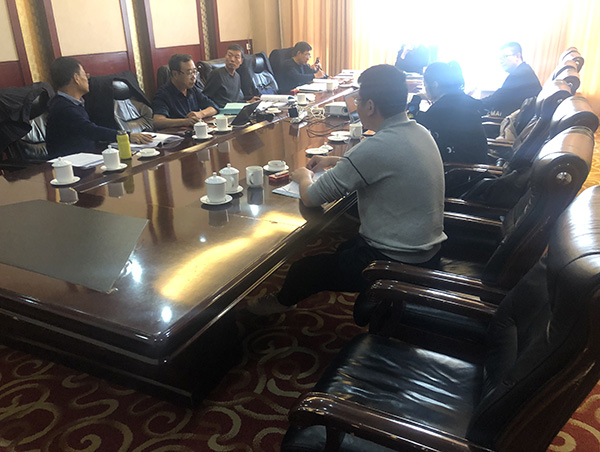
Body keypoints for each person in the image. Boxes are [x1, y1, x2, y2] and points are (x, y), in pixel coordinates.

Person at [249, 64, 447, 323]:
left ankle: (279, 303)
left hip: (394, 260)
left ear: (370, 106)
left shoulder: (376, 147)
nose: (357, 106)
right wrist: (336, 161)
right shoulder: (420, 131)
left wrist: (303, 176)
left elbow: (311, 197)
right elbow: (381, 163)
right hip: (426, 251)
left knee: (302, 269)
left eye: (358, 101)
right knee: (344, 246)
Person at [46, 57, 153, 157]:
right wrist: (127, 136)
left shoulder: (75, 102)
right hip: (71, 165)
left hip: (87, 159)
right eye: (84, 74)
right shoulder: (62, 108)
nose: (88, 77)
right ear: (76, 78)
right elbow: (90, 130)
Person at [416, 61, 488, 164]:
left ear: (435, 85)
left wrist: (415, 100)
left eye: (425, 85)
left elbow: (417, 127)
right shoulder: (461, 100)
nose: (425, 89)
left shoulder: (441, 108)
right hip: (476, 164)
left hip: (457, 168)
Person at [152, 54, 219, 130]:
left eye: (194, 72)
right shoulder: (163, 94)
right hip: (178, 135)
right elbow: (157, 121)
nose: (194, 77)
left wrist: (200, 114)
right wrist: (184, 121)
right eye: (189, 73)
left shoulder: (192, 89)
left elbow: (214, 107)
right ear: (175, 74)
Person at [480, 42, 542, 116]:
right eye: (500, 58)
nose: (501, 61)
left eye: (504, 56)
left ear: (517, 56)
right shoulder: (524, 71)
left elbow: (495, 100)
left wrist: (473, 103)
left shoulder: (520, 75)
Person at [202, 44, 246, 108]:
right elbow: (205, 97)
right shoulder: (217, 74)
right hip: (220, 111)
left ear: (241, 61)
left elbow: (234, 101)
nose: (232, 60)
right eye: (229, 56)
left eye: (236, 57)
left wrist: (247, 102)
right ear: (225, 57)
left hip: (233, 109)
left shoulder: (237, 76)